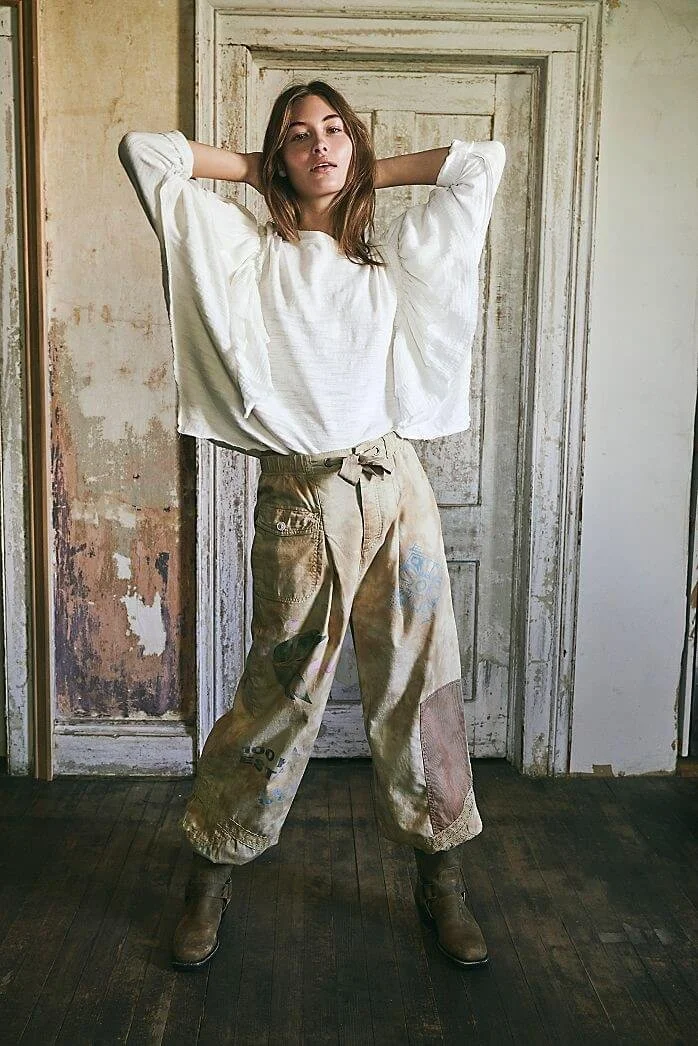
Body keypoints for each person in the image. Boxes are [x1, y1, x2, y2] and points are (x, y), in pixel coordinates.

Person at [118, 79, 505, 972]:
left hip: (394, 487)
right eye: (299, 135)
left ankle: (442, 878)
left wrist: (361, 171)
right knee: (279, 696)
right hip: (302, 499)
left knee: (423, 688)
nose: (320, 145)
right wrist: (259, 174)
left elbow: (478, 163)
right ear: (276, 155)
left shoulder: (390, 256)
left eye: (336, 131)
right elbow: (150, 153)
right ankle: (210, 872)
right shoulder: (248, 250)